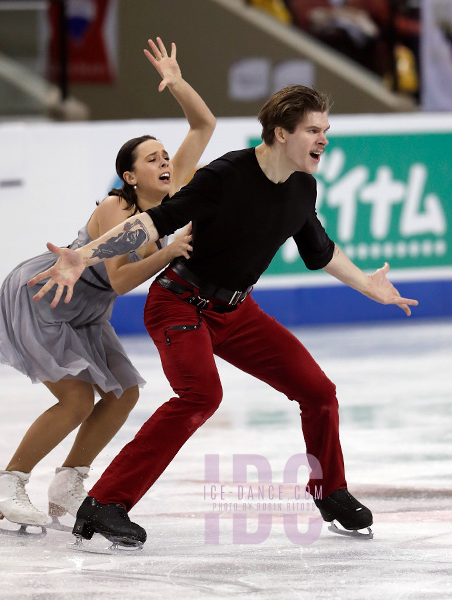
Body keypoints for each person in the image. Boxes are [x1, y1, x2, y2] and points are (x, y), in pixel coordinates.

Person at [28, 84, 418, 547]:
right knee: (200, 396)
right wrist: (85, 255)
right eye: (313, 130)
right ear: (280, 133)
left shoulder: (302, 187)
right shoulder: (227, 174)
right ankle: (106, 503)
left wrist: (366, 283)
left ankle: (330, 492)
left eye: (325, 130)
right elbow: (153, 222)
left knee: (318, 391)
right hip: (179, 303)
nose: (323, 140)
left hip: (237, 311)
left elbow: (320, 249)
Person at [0, 37, 215, 533]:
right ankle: (9, 484)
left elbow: (203, 125)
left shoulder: (171, 197)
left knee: (124, 392)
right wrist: (169, 252)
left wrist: (177, 84)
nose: (165, 163)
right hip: (46, 298)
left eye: (164, 157)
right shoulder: (118, 208)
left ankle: (70, 481)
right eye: (152, 159)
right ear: (129, 176)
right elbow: (121, 280)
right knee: (75, 399)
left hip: (86, 310)